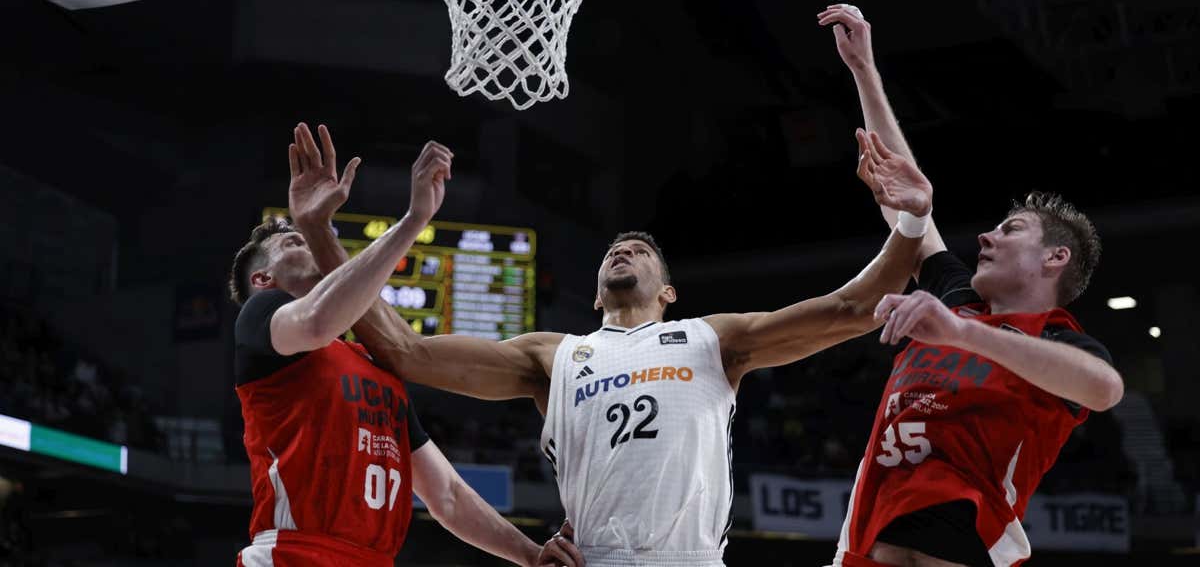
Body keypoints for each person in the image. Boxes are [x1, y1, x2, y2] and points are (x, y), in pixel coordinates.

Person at [285, 120, 936, 567]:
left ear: (670, 291)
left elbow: (850, 307)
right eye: (615, 250)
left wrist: (911, 222)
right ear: (597, 294)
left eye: (643, 250)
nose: (625, 249)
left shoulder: (711, 339)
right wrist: (319, 232)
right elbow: (406, 351)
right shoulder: (552, 355)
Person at [818, 3, 1125, 567]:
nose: (985, 236)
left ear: (1055, 258)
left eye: (1009, 230)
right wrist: (863, 69)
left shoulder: (1052, 339)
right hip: (869, 535)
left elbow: (1104, 389)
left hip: (967, 541)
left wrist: (961, 333)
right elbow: (911, 208)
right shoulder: (959, 300)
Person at [227, 137, 582, 567]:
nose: (306, 244)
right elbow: (319, 320)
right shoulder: (261, 316)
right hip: (293, 552)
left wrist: (531, 554)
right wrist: (414, 220)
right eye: (292, 244)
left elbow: (447, 496)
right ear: (263, 279)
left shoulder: (374, 364)